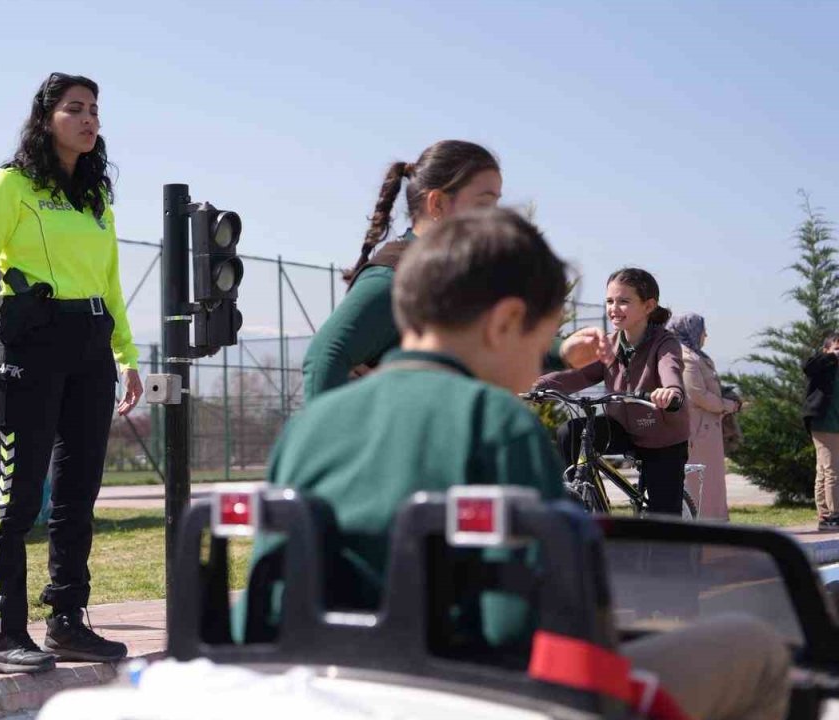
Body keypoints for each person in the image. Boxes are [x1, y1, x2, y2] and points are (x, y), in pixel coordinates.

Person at [245, 209, 788, 720]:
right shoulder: (498, 425)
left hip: (342, 687)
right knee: (755, 645)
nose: (538, 364)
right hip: (478, 693)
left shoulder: (309, 428)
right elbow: (538, 621)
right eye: (542, 341)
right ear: (506, 322)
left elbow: (264, 607)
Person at [0, 72, 143, 674]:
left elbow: (110, 283)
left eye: (94, 110)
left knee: (78, 496)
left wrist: (127, 355)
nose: (89, 119)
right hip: (29, 345)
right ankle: (3, 634)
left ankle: (66, 622)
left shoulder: (95, 198)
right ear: (46, 118)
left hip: (90, 348)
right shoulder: (10, 184)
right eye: (75, 108)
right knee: (19, 493)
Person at [300, 139, 609, 402]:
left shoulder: (462, 277)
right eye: (484, 203)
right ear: (437, 204)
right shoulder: (393, 278)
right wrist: (332, 440)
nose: (493, 217)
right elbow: (326, 355)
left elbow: (496, 347)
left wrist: (563, 351)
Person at [536, 268, 692, 515]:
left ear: (648, 306)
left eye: (623, 301)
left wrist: (671, 391)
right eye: (610, 301)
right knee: (570, 432)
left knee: (664, 518)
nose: (614, 308)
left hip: (661, 436)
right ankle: (583, 499)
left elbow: (670, 368)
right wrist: (538, 385)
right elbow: (580, 375)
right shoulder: (609, 343)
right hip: (621, 428)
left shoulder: (664, 342)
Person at [668, 313, 740, 520]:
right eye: (702, 330)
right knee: (701, 484)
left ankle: (715, 524)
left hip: (707, 430)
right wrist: (728, 405)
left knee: (712, 482)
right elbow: (697, 394)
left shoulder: (696, 355)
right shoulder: (686, 357)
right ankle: (705, 525)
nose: (705, 335)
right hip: (698, 432)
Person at [803, 333, 839, 531]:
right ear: (826, 350)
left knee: (824, 470)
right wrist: (831, 356)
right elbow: (808, 366)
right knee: (832, 471)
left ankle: (825, 514)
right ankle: (833, 515)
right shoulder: (823, 366)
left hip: (835, 425)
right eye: (837, 348)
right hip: (824, 424)